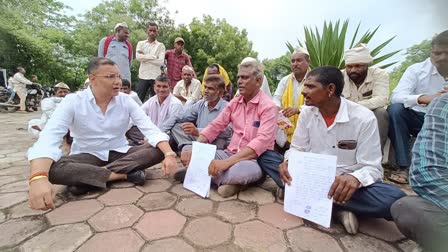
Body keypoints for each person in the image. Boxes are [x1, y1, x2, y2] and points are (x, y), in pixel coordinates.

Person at [262, 66, 405, 234]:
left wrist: (354, 178)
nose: (303, 92)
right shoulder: (307, 113)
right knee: (266, 157)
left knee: (395, 200)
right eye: (304, 86)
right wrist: (288, 161)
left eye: (310, 87)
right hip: (310, 177)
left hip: (343, 185)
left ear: (330, 89)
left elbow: (373, 167)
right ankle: (339, 208)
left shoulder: (363, 118)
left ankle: (301, 196)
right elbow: (297, 148)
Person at [27, 58, 178, 210]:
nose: (118, 81)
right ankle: (122, 175)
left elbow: (150, 129)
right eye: (110, 77)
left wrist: (169, 155)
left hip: (121, 151)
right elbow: (49, 137)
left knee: (160, 148)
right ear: (92, 79)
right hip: (87, 155)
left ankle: (88, 179)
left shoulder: (126, 100)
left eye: (118, 76)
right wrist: (38, 178)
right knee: (53, 170)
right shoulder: (73, 101)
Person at [180, 60, 277, 198]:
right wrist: (196, 147)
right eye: (238, 77)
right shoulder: (235, 103)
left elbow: (261, 142)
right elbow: (215, 126)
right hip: (229, 153)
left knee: (242, 171)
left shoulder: (268, 107)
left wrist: (225, 163)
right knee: (188, 150)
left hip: (253, 160)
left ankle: (202, 174)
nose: (239, 81)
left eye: (244, 77)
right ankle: (231, 182)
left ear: (258, 81)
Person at [388, 30, 448, 183]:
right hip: (420, 119)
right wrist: (423, 98)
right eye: (437, 53)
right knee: (395, 109)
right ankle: (404, 167)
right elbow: (396, 96)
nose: (442, 58)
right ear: (431, 52)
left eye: (447, 53)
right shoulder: (416, 70)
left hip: (444, 123)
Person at [391, 93, 448, 252]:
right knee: (407, 208)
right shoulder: (444, 105)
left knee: (389, 198)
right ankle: (402, 166)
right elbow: (428, 173)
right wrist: (422, 97)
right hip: (415, 114)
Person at [342, 44, 390, 151]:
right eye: (349, 67)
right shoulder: (340, 76)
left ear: (367, 65)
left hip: (370, 113)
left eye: (358, 66)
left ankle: (376, 155)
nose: (353, 70)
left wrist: (355, 106)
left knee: (381, 113)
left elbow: (381, 99)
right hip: (346, 114)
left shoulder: (380, 74)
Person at [171, 74, 232, 158]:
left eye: (210, 88)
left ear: (220, 92)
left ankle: (191, 150)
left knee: (221, 140)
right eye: (205, 87)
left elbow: (228, 131)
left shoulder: (227, 107)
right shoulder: (201, 103)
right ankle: (188, 147)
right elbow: (182, 116)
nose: (205, 91)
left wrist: (198, 131)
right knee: (176, 127)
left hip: (217, 143)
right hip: (199, 140)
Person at [126, 75, 183, 145]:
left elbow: (167, 126)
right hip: (152, 133)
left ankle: (147, 144)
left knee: (168, 137)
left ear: (170, 88)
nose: (161, 89)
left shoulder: (175, 104)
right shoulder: (151, 101)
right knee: (131, 130)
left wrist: (151, 138)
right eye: (158, 86)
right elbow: (137, 115)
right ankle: (147, 144)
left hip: (166, 134)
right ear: (154, 87)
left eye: (164, 87)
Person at [273, 48, 310, 147]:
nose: (295, 64)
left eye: (299, 60)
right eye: (293, 61)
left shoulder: (315, 79)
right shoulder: (285, 80)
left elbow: (318, 104)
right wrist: (278, 108)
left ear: (308, 62)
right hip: (285, 131)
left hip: (308, 130)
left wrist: (298, 109)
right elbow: (276, 97)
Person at [135, 22, 165, 102]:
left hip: (155, 76)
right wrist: (154, 56)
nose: (152, 33)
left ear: (157, 32)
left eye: (154, 31)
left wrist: (144, 57)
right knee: (138, 99)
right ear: (146, 31)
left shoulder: (160, 46)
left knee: (157, 100)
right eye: (150, 30)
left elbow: (160, 62)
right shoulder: (141, 43)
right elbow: (138, 57)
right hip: (143, 75)